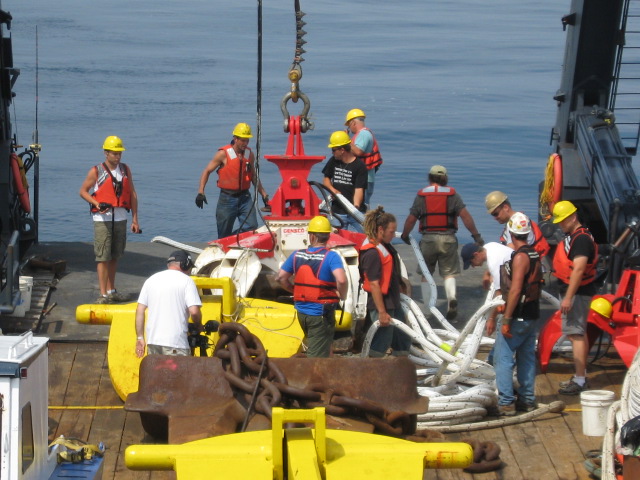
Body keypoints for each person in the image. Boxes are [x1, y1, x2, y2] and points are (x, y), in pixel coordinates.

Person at [401, 165, 484, 320]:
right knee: (449, 274)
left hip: (428, 239)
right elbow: (466, 217)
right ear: (445, 178)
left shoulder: (422, 196)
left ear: (430, 178)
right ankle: (451, 298)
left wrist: (405, 234)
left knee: (426, 273)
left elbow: (411, 219)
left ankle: (427, 309)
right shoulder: (453, 196)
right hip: (448, 239)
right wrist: (476, 236)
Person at [491, 213, 542, 415]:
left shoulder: (520, 257)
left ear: (510, 233)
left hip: (518, 316)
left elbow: (515, 290)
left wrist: (507, 319)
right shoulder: (534, 254)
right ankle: (527, 399)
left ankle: (506, 402)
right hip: (532, 314)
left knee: (503, 358)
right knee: (527, 357)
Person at [79, 135, 140, 304]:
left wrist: (135, 219)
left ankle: (112, 290)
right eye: (114, 153)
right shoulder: (96, 171)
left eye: (120, 153)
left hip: (120, 217)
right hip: (102, 219)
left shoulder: (125, 170)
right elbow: (83, 191)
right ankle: (103, 294)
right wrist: (97, 204)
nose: (118, 156)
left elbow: (132, 194)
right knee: (103, 256)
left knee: (115, 255)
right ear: (106, 153)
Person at [276, 216, 348, 357]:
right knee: (315, 358)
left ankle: (327, 368)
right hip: (320, 314)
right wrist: (342, 296)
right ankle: (315, 371)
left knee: (324, 347)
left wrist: (294, 290)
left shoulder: (297, 254)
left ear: (312, 236)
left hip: (301, 313)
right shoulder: (331, 257)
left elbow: (280, 278)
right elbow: (342, 280)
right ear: (328, 236)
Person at [551, 200, 598, 395]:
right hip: (577, 292)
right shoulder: (577, 236)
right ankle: (581, 376)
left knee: (576, 334)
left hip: (577, 293)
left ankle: (579, 380)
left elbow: (578, 269)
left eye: (563, 220)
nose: (560, 225)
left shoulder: (581, 240)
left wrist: (568, 297)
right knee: (579, 333)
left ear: (573, 217)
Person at [195, 123, 269, 239]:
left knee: (251, 227)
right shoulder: (223, 154)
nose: (245, 143)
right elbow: (207, 171)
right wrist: (201, 192)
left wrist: (264, 195)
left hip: (245, 198)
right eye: (243, 140)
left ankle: (232, 239)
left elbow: (253, 176)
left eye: (247, 140)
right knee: (223, 234)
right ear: (235, 139)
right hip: (227, 199)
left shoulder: (249, 154)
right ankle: (227, 240)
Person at [360, 207, 411, 357]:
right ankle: (371, 367)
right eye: (391, 231)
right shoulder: (372, 253)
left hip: (393, 302)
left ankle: (401, 364)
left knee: (402, 338)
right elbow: (374, 284)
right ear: (381, 229)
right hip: (382, 305)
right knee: (381, 341)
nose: (394, 235)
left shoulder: (385, 247)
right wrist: (382, 312)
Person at [135, 250, 203, 358]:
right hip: (177, 344)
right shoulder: (187, 281)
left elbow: (140, 310)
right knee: (179, 370)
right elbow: (194, 312)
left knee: (156, 370)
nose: (190, 271)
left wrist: (140, 338)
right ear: (185, 265)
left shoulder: (151, 280)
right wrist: (199, 324)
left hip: (153, 343)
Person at [322, 130, 368, 231]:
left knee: (366, 236)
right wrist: (333, 190)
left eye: (334, 150)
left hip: (355, 212)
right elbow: (326, 179)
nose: (332, 152)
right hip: (338, 211)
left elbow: (359, 189)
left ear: (342, 150)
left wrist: (355, 207)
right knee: (338, 237)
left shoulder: (360, 166)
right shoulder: (333, 161)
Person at [484, 190, 550, 259]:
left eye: (496, 214)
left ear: (505, 207)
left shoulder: (514, 224)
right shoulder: (518, 220)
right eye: (492, 215)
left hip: (530, 260)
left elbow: (511, 250)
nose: (495, 218)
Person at [345, 108, 382, 207]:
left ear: (353, 123)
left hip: (364, 178)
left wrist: (346, 140)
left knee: (362, 205)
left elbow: (358, 151)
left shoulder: (363, 134)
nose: (349, 128)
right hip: (365, 177)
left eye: (349, 125)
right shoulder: (363, 134)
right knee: (362, 204)